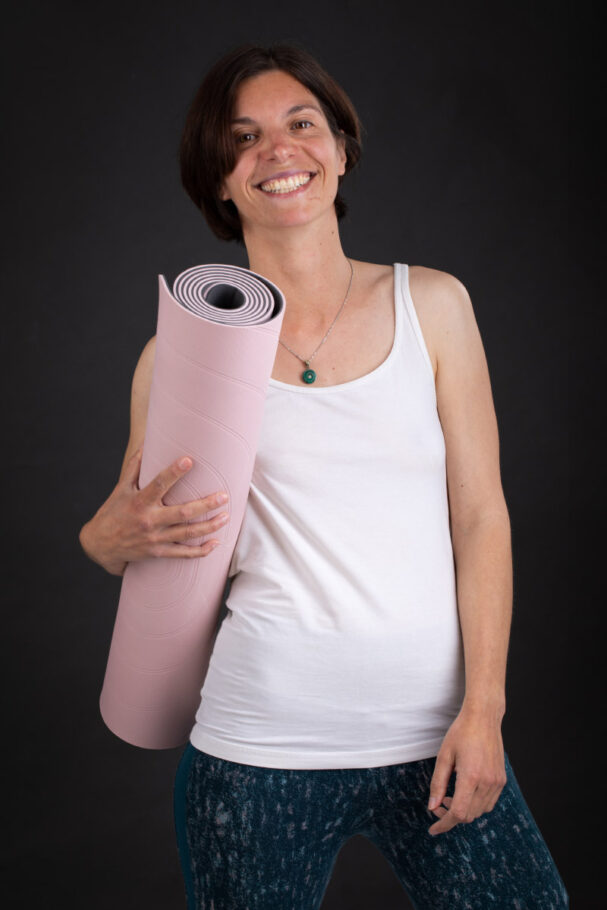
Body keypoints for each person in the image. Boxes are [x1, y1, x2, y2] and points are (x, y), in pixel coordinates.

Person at [79, 42, 569, 910]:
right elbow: (138, 534)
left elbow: (481, 516)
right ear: (219, 182)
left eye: (301, 124)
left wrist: (485, 710)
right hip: (258, 748)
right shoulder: (181, 353)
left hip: (438, 738)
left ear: (339, 148)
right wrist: (101, 539)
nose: (278, 149)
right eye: (243, 138)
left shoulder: (435, 307)